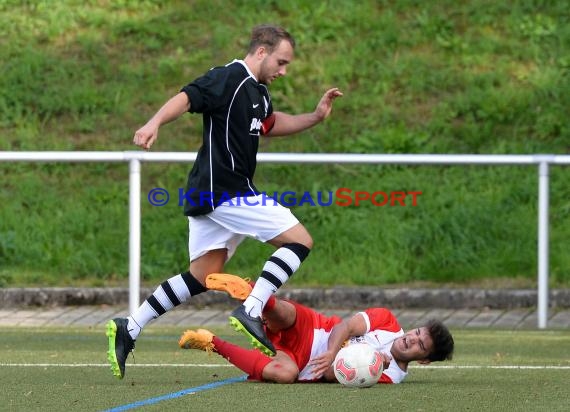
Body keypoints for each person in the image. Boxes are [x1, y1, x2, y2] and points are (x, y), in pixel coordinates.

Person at [106, 24, 343, 379]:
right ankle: (252, 308)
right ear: (261, 51)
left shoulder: (258, 93)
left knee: (203, 276)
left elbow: (269, 124)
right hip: (227, 191)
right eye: (281, 61)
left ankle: (131, 326)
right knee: (300, 241)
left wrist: (315, 117)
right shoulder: (229, 78)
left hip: (208, 193)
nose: (284, 71)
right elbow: (188, 96)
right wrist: (154, 122)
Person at [179, 274, 454, 384]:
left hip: (304, 363)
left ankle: (211, 342)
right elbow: (346, 326)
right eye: (417, 332)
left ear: (424, 359)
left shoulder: (392, 376)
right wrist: (334, 349)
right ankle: (249, 294)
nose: (411, 339)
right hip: (316, 329)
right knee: (284, 312)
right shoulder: (388, 321)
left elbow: (336, 376)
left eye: (420, 345)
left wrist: (373, 364)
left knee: (285, 375)